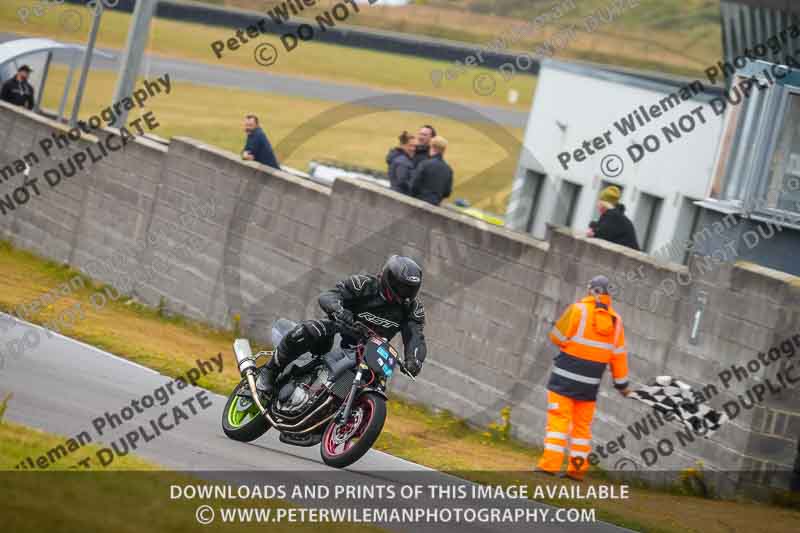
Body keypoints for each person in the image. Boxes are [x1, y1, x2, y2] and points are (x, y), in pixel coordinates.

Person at [257, 255, 427, 396]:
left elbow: (415, 336)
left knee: (377, 380)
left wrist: (414, 360)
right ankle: (270, 371)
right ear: (389, 278)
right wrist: (339, 310)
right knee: (314, 329)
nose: (406, 294)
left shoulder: (411, 308)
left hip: (368, 351)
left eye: (411, 289)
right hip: (338, 332)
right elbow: (328, 296)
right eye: (403, 287)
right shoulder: (363, 285)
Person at [537, 275, 631, 481]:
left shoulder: (578, 309)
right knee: (582, 428)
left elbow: (556, 337)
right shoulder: (616, 321)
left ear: (591, 290)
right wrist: (622, 385)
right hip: (590, 385)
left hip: (564, 378)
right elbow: (619, 356)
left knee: (558, 422)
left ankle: (549, 466)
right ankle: (576, 471)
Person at [587, 186, 640, 250]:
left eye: (599, 201)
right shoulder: (615, 215)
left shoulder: (613, 216)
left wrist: (593, 230)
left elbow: (600, 233)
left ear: (603, 203)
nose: (597, 204)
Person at [409, 136, 453, 206]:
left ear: (431, 147)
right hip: (435, 205)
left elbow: (414, 185)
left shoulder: (424, 164)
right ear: (443, 150)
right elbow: (447, 192)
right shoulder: (448, 169)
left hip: (419, 203)